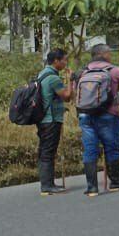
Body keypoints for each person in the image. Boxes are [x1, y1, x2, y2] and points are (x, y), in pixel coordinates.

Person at [73, 44, 119, 195]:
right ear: (104, 54)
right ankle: (115, 182)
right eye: (109, 53)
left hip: (85, 115)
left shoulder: (81, 72)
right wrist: (116, 104)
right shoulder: (115, 71)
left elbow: (76, 94)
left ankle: (92, 187)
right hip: (108, 115)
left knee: (89, 149)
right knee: (111, 147)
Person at [32, 49, 71, 196]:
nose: (65, 63)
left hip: (42, 119)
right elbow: (67, 96)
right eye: (64, 60)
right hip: (51, 120)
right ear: (56, 61)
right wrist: (71, 80)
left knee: (44, 151)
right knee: (48, 152)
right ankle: (47, 186)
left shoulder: (42, 74)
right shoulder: (54, 78)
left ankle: (48, 183)